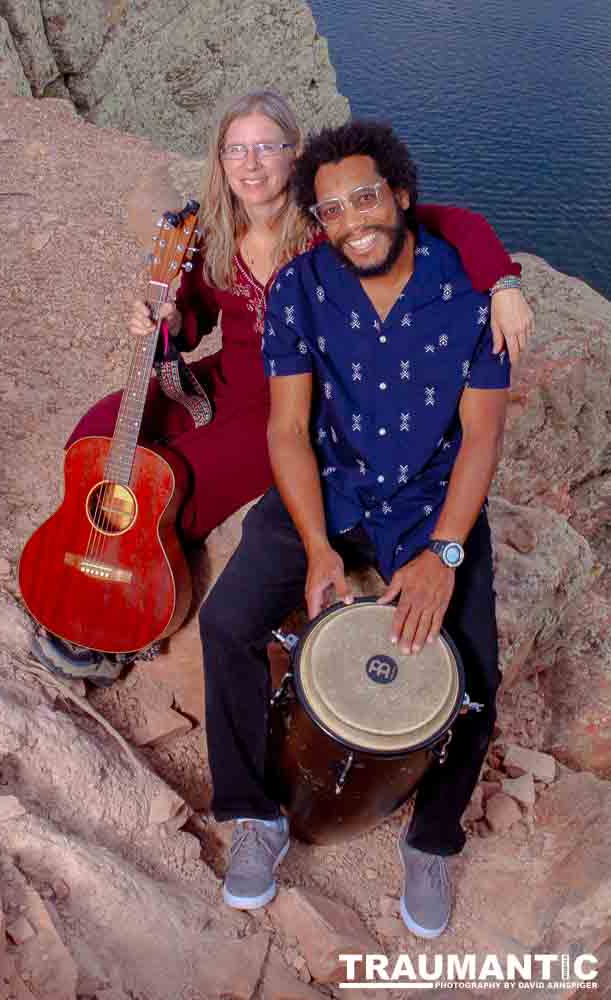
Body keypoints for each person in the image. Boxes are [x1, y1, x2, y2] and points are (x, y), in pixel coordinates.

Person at [31, 90, 533, 686]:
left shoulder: (333, 224)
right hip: (224, 378)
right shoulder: (212, 230)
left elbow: (449, 222)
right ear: (220, 161)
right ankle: (80, 560)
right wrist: (163, 320)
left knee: (176, 482)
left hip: (293, 403)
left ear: (294, 155)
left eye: (267, 148)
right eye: (236, 150)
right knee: (99, 428)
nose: (251, 164)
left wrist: (502, 280)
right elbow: (193, 323)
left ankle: (121, 612)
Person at [198, 118, 512, 939]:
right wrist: (314, 549)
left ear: (401, 197)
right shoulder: (301, 288)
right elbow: (285, 431)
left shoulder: (472, 294)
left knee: (475, 673)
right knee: (229, 623)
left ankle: (433, 839)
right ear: (319, 220)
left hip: (428, 505)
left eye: (365, 198)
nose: (351, 220)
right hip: (328, 491)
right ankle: (252, 816)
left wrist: (445, 552)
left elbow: (481, 434)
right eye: (331, 209)